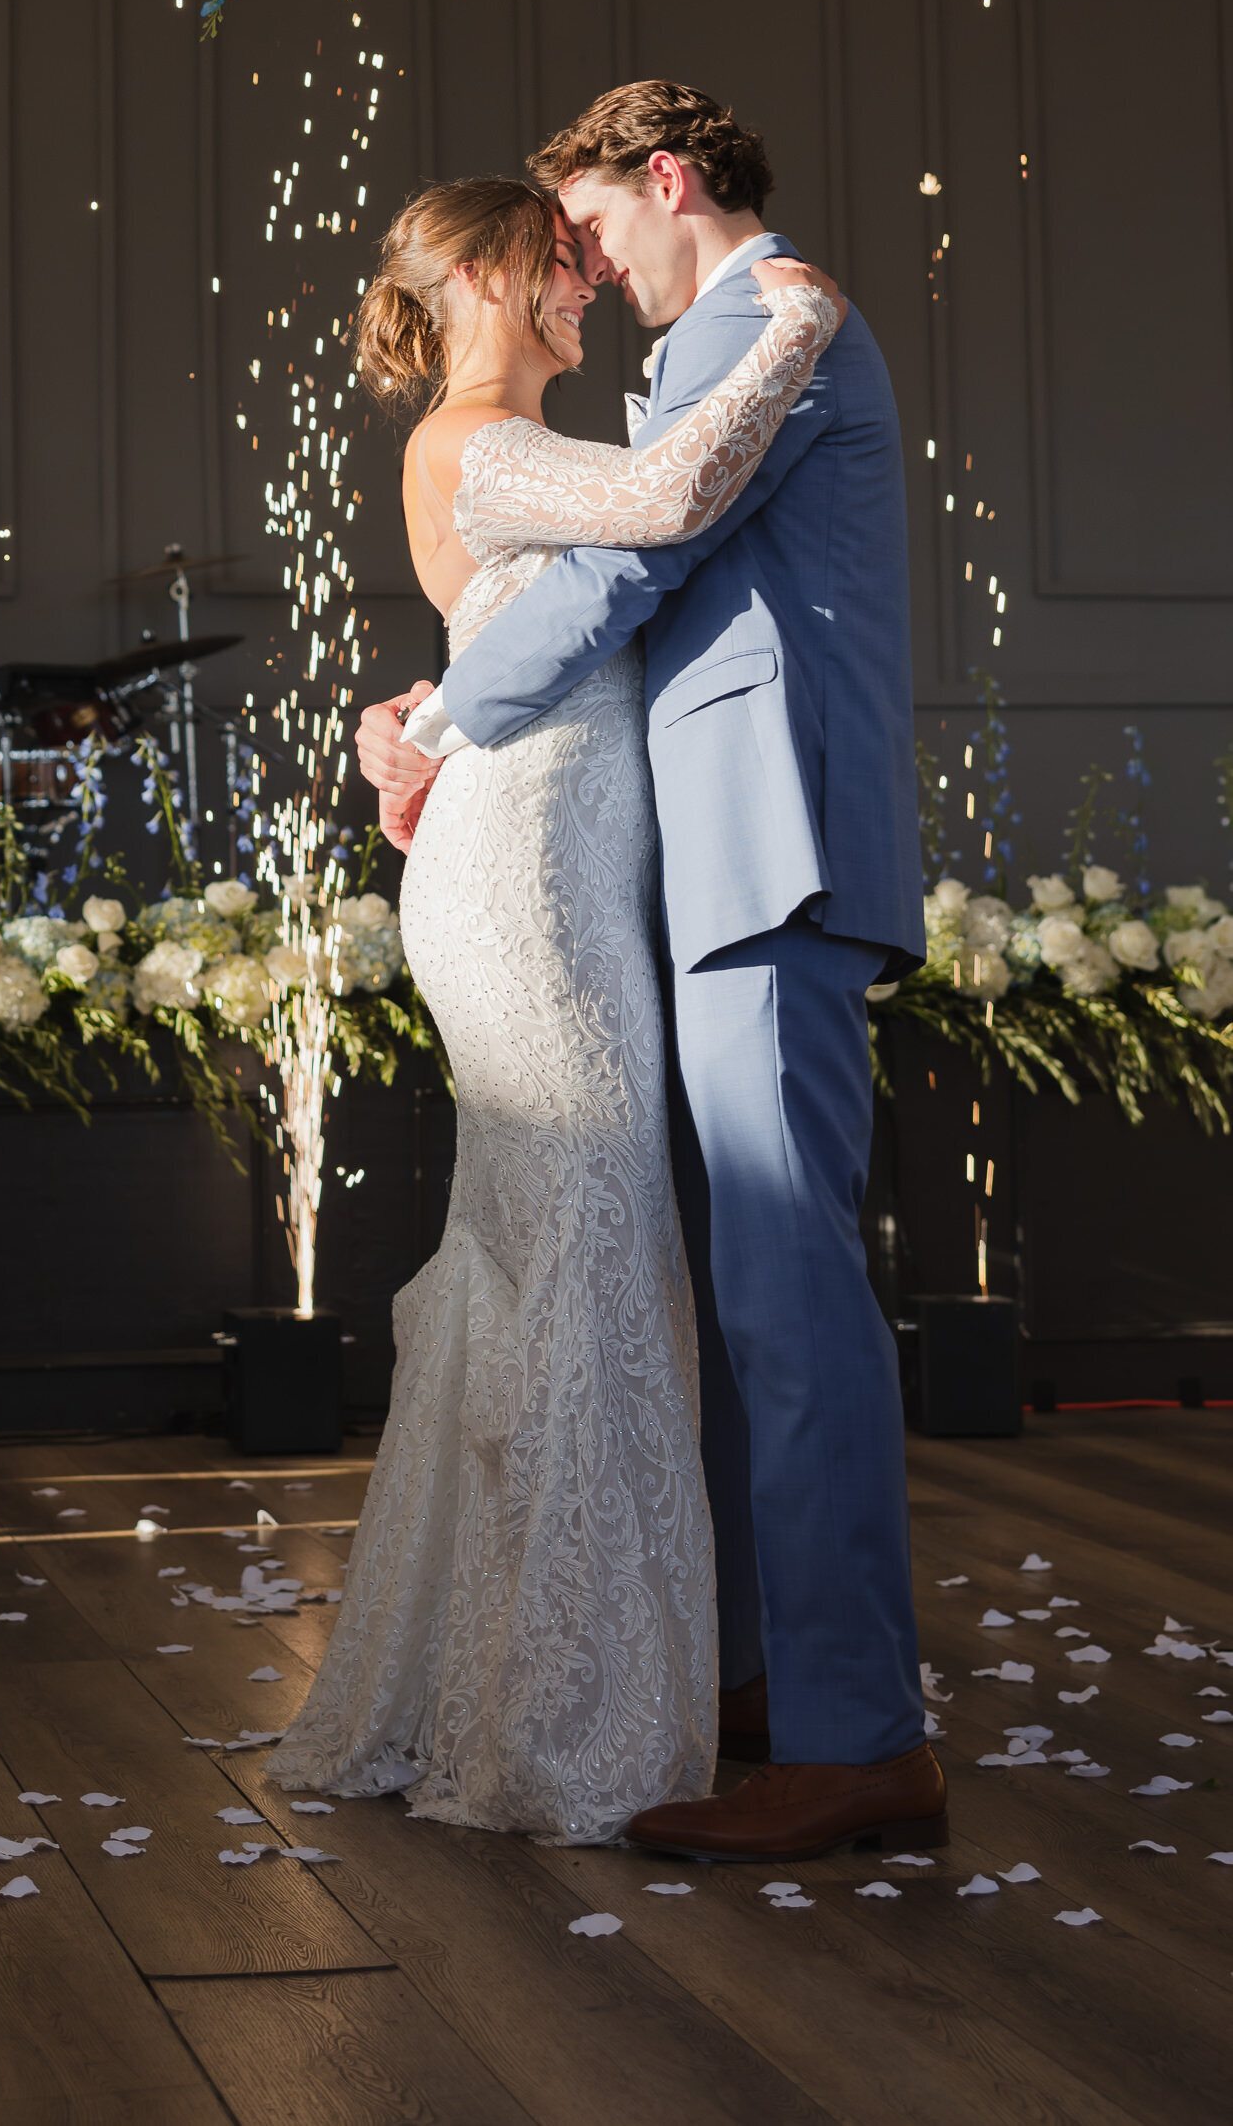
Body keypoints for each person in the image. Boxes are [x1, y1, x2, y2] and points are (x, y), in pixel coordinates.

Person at [356, 83, 943, 1867]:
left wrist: (433, 720)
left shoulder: (769, 321)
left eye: (595, 227)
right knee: (725, 1295)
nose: (589, 269)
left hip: (770, 852)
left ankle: (856, 1737)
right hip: (683, 868)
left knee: (785, 1298)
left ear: (665, 180)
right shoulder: (712, 348)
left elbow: (629, 570)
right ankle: (761, 1682)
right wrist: (441, 705)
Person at [270, 175, 843, 1846]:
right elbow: (668, 497)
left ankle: (521, 1685)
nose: (585, 281)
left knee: (555, 1252)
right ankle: (567, 1723)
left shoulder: (488, 446)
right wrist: (793, 328)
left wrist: (416, 720)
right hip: (523, 884)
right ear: (474, 274)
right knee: (587, 1242)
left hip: (550, 868)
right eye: (554, 261)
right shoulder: (472, 438)